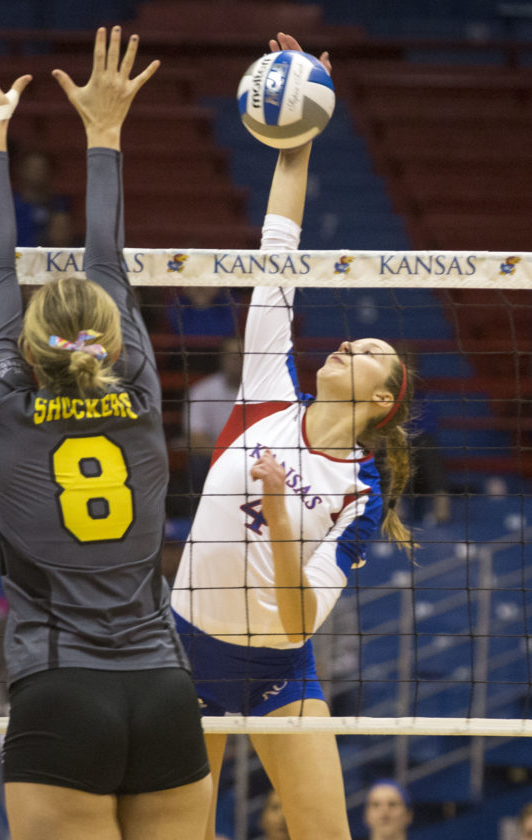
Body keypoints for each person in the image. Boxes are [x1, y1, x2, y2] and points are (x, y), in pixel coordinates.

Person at [0, 25, 211, 839]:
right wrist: (104, 129)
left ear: (23, 345)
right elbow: (108, 258)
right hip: (164, 690)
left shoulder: (1, 399)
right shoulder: (136, 384)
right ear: (115, 337)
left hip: (60, 693)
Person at [170, 34, 415, 840]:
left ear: (381, 401)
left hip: (280, 672)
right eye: (353, 341)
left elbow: (296, 620)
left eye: (370, 352)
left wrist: (281, 523)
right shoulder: (264, 391)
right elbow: (278, 254)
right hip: (187, 654)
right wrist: (295, 136)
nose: (349, 344)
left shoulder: (359, 490)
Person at [180, 335, 244, 513]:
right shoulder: (203, 391)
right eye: (232, 356)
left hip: (254, 458)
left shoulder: (263, 392)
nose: (237, 361)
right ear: (222, 358)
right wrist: (229, 457)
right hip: (214, 458)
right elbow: (196, 439)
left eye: (242, 356)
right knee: (198, 464)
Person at [12, 151, 71, 248]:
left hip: (48, 258)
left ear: (49, 171)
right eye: (32, 168)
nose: (37, 173)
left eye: (41, 168)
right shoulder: (10, 204)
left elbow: (62, 238)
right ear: (21, 170)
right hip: (16, 258)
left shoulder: (58, 205)